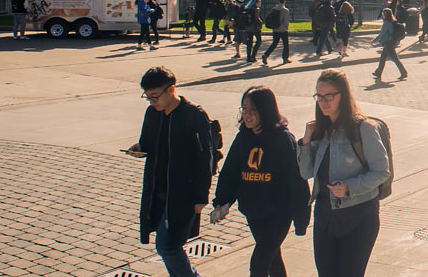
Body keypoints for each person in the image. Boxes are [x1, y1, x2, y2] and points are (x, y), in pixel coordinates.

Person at [297, 69, 390, 277]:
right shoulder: (321, 130)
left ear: (343, 96)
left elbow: (382, 171)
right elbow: (305, 173)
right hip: (325, 217)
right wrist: (305, 142)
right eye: (319, 96)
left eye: (329, 96)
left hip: (358, 217)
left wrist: (350, 187)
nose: (323, 101)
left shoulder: (363, 127)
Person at [126, 67, 217, 277]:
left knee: (167, 246)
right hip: (157, 188)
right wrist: (138, 149)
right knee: (169, 244)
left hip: (182, 192)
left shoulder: (193, 115)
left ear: (171, 90)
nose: (152, 102)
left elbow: (205, 158)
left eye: (155, 96)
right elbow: (146, 143)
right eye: (148, 97)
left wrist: (202, 196)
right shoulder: (152, 114)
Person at [211, 86, 311, 277]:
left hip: (278, 214)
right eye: (244, 109)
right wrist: (221, 202)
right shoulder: (243, 137)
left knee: (258, 264)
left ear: (266, 111)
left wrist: (301, 218)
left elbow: (297, 180)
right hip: (254, 211)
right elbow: (230, 172)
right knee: (273, 261)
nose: (247, 115)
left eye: (253, 110)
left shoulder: (282, 138)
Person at [371, 8, 407, 81]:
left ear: (385, 15)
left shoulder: (386, 23)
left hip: (388, 43)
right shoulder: (392, 22)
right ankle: (378, 72)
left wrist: (374, 40)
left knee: (395, 59)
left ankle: (404, 73)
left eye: (383, 14)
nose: (382, 16)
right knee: (382, 58)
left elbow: (382, 34)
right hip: (391, 42)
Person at [263, 0, 291, 65]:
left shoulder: (274, 9)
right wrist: (287, 27)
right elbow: (286, 21)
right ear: (284, 2)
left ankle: (266, 55)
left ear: (278, 1)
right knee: (285, 45)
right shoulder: (285, 10)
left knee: (274, 44)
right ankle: (285, 58)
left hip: (275, 29)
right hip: (283, 30)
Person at [243, 0, 264, 64]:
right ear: (256, 3)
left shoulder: (248, 9)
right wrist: (261, 23)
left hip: (248, 27)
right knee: (259, 41)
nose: (260, 4)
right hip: (255, 27)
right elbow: (258, 19)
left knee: (250, 42)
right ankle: (253, 55)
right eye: (259, 2)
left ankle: (249, 57)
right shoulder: (256, 9)